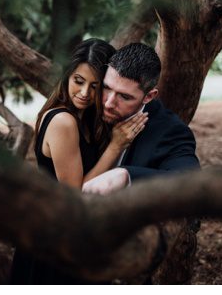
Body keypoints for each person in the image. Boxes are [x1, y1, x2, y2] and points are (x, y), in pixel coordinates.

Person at [8, 38, 147, 284]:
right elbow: (76, 193)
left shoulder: (84, 118)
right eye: (78, 81)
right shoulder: (63, 121)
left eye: (95, 86)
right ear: (67, 76)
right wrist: (115, 145)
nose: (84, 93)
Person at [82, 43, 201, 194]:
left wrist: (127, 176)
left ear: (149, 96)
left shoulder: (170, 131)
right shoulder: (84, 105)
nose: (108, 103)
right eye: (107, 88)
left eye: (124, 96)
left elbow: (191, 181)